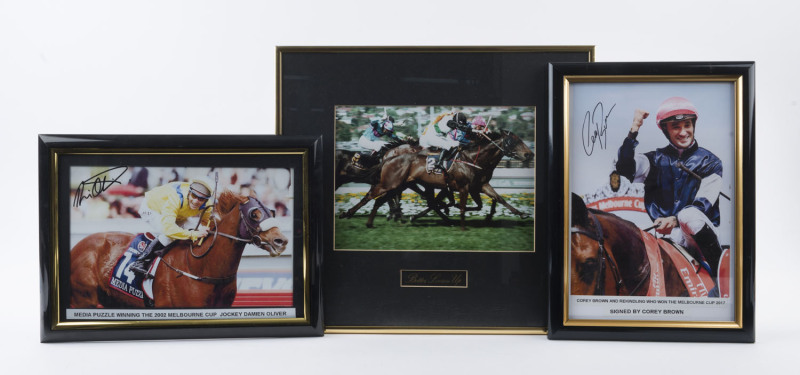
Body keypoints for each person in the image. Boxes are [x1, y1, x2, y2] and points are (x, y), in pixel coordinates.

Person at [615, 97, 724, 296]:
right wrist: (635, 127)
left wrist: (674, 220)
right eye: (675, 127)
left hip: (695, 236)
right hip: (666, 236)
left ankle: (722, 280)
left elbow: (703, 204)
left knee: (687, 216)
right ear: (665, 130)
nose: (683, 132)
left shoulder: (712, 162)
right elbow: (623, 168)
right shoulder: (653, 160)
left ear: (693, 125)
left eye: (687, 125)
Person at [129, 178, 215, 276]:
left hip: (177, 213)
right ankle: (140, 262)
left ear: (206, 200)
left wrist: (205, 229)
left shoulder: (207, 205)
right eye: (194, 196)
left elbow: (207, 222)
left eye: (201, 199)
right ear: (189, 192)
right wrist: (193, 234)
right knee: (169, 236)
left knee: (194, 229)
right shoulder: (176, 197)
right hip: (152, 208)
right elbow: (169, 230)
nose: (196, 201)